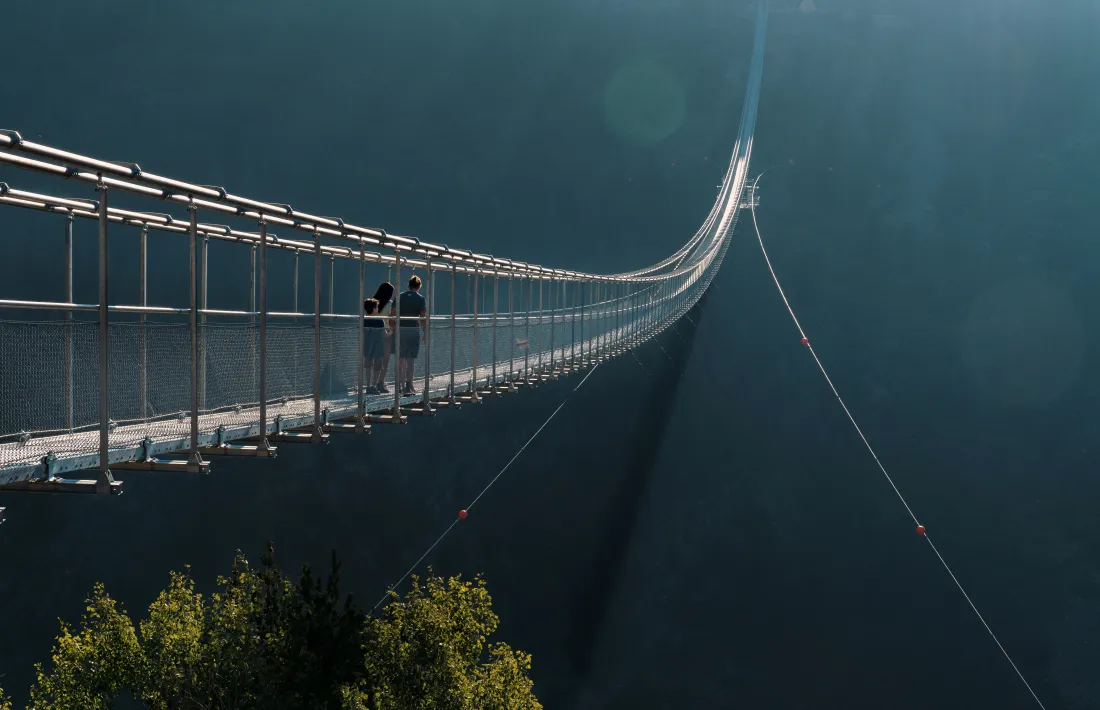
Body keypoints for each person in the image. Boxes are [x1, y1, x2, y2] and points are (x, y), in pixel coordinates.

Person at [395, 274, 428, 395]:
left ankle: (399, 385)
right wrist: (425, 332)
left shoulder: (399, 297)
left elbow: (392, 314)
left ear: (409, 285)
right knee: (410, 360)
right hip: (413, 331)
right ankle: (409, 385)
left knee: (400, 359)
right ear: (419, 286)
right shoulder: (420, 299)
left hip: (400, 330)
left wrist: (393, 329)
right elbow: (423, 317)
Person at [365, 282, 394, 394]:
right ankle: (379, 383)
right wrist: (392, 331)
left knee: (368, 364)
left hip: (369, 340)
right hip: (383, 337)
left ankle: (369, 385)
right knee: (383, 362)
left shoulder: (371, 303)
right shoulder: (390, 305)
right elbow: (391, 320)